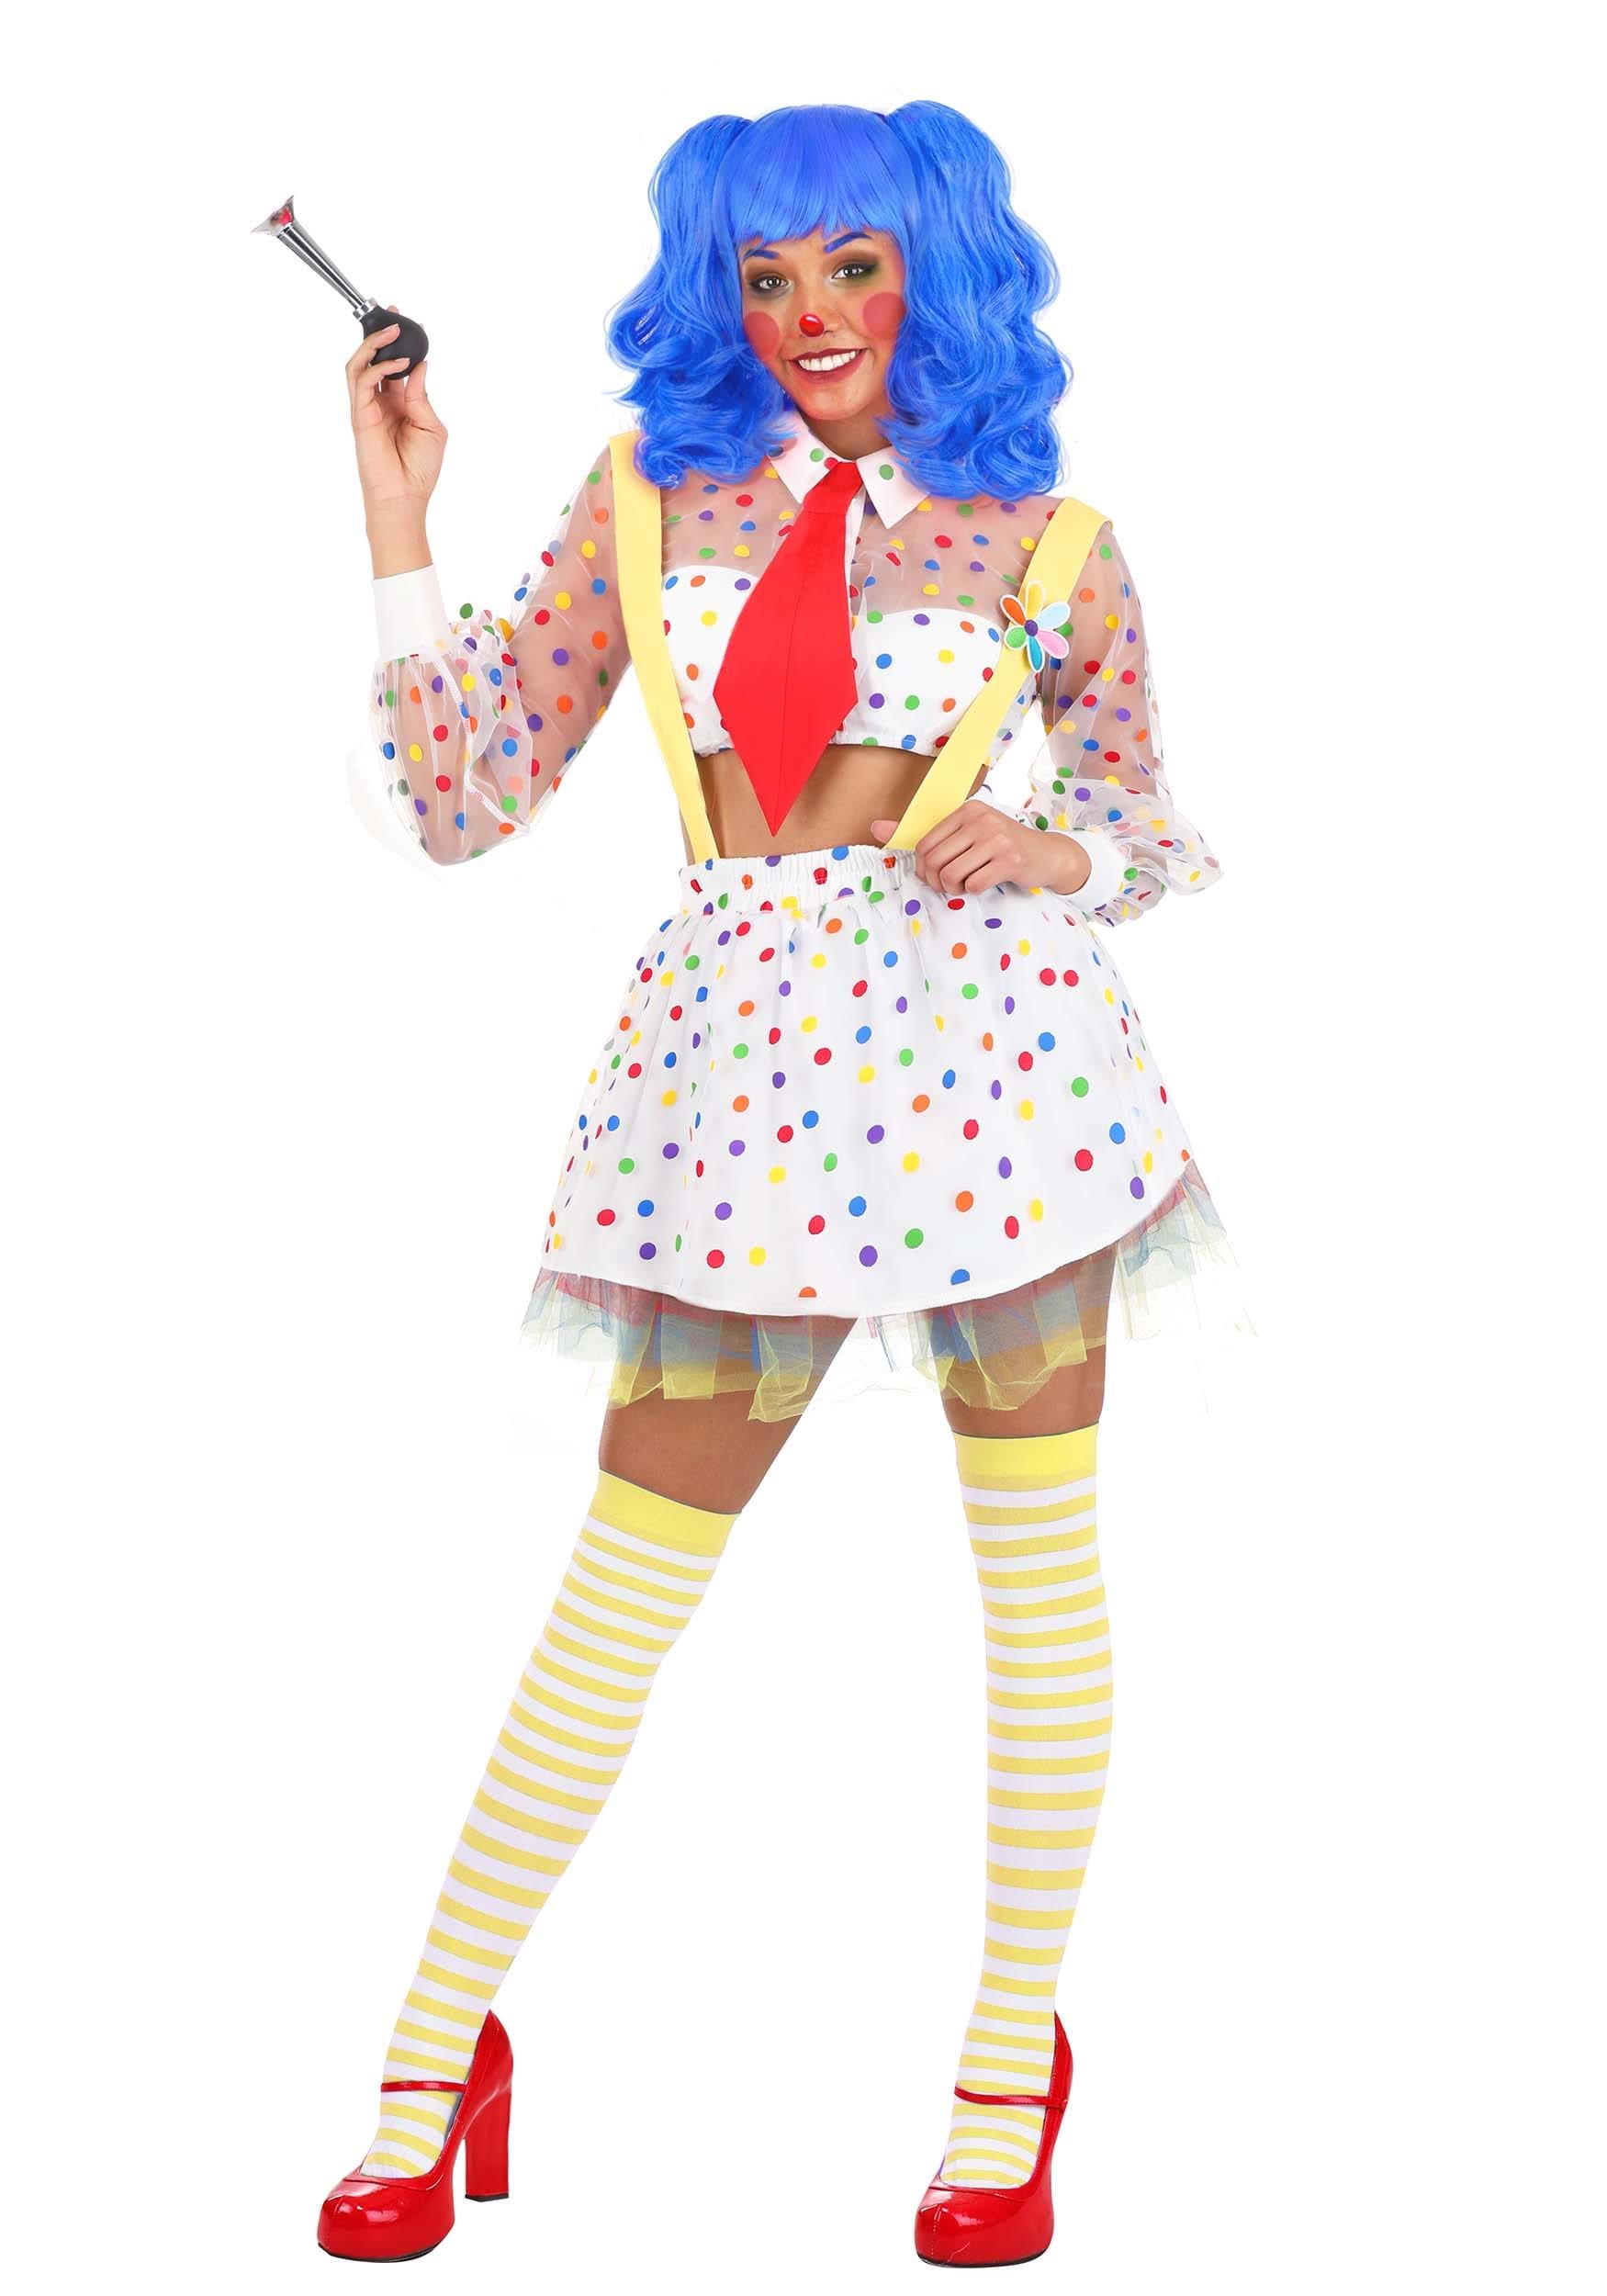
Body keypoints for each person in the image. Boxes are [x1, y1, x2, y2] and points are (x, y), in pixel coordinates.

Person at [317, 98, 1241, 2270]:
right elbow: (456, 800)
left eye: (851, 265)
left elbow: (1153, 823)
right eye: (761, 275)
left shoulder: (1049, 537)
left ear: (935, 272)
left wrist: (1058, 847)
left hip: (1001, 1085)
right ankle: (429, 2054)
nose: (808, 313)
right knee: (619, 1586)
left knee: (1035, 1580)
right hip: (737, 1096)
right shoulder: (649, 499)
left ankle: (1004, 2075)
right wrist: (397, 522)